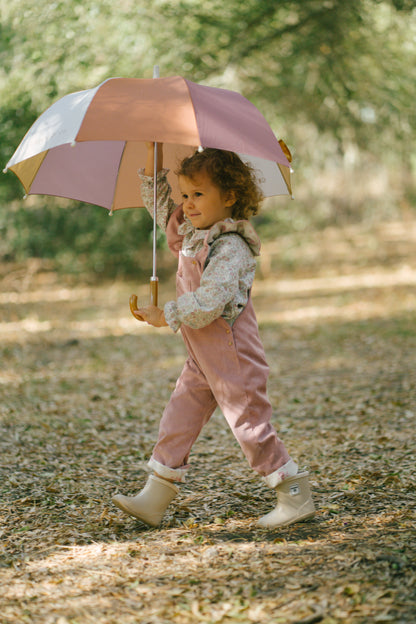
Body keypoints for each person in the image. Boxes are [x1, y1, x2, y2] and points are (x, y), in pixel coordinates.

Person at [112, 143, 315, 529]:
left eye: (198, 194)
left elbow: (210, 300)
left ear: (230, 196)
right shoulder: (192, 233)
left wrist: (167, 314)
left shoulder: (231, 245)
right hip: (201, 354)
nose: (187, 204)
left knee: (249, 423)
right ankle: (155, 495)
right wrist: (153, 174)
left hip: (231, 354)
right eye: (184, 194)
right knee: (179, 417)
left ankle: (294, 494)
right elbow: (161, 210)